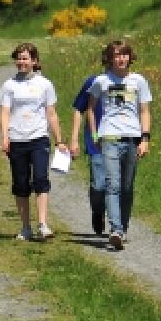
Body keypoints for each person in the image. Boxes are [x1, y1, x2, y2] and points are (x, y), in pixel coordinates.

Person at [86, 39, 152, 251]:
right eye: (116, 55)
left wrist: (145, 138)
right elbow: (90, 108)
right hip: (110, 137)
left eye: (124, 55)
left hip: (132, 137)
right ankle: (116, 229)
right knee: (112, 184)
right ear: (110, 59)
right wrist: (95, 133)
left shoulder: (139, 81)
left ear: (130, 57)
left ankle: (123, 227)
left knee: (127, 187)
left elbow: (145, 111)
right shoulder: (102, 81)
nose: (121, 59)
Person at [0, 42, 68, 241]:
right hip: (17, 139)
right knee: (20, 184)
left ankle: (43, 224)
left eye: (25, 58)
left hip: (39, 138)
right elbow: (4, 113)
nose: (21, 62)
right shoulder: (9, 85)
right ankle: (25, 227)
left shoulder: (45, 84)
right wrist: (5, 137)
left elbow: (51, 114)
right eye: (19, 58)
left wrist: (59, 140)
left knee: (40, 179)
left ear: (34, 61)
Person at [69, 47, 109, 235]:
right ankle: (98, 211)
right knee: (99, 185)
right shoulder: (94, 82)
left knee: (117, 185)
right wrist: (74, 139)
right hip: (96, 142)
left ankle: (117, 225)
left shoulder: (128, 83)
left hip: (121, 141)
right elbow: (79, 109)